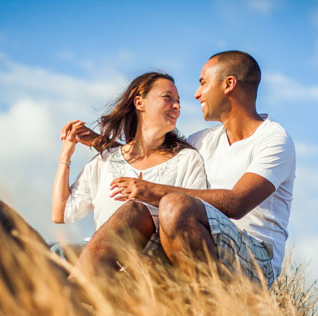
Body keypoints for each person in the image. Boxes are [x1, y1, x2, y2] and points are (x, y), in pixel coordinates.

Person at [63, 51, 295, 288]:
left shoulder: (274, 140)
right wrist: (100, 143)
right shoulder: (203, 141)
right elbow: (153, 156)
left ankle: (206, 309)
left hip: (254, 258)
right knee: (134, 210)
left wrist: (151, 190)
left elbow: (237, 203)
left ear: (229, 84)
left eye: (203, 82)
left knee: (174, 205)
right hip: (202, 238)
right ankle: (71, 295)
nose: (196, 94)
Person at [52, 72, 207, 279]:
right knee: (47, 253)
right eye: (167, 97)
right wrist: (66, 153)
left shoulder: (187, 160)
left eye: (178, 101)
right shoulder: (106, 160)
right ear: (139, 103)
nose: (177, 106)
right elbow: (61, 213)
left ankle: (73, 296)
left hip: (151, 264)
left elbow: (195, 217)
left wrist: (150, 193)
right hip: (96, 257)